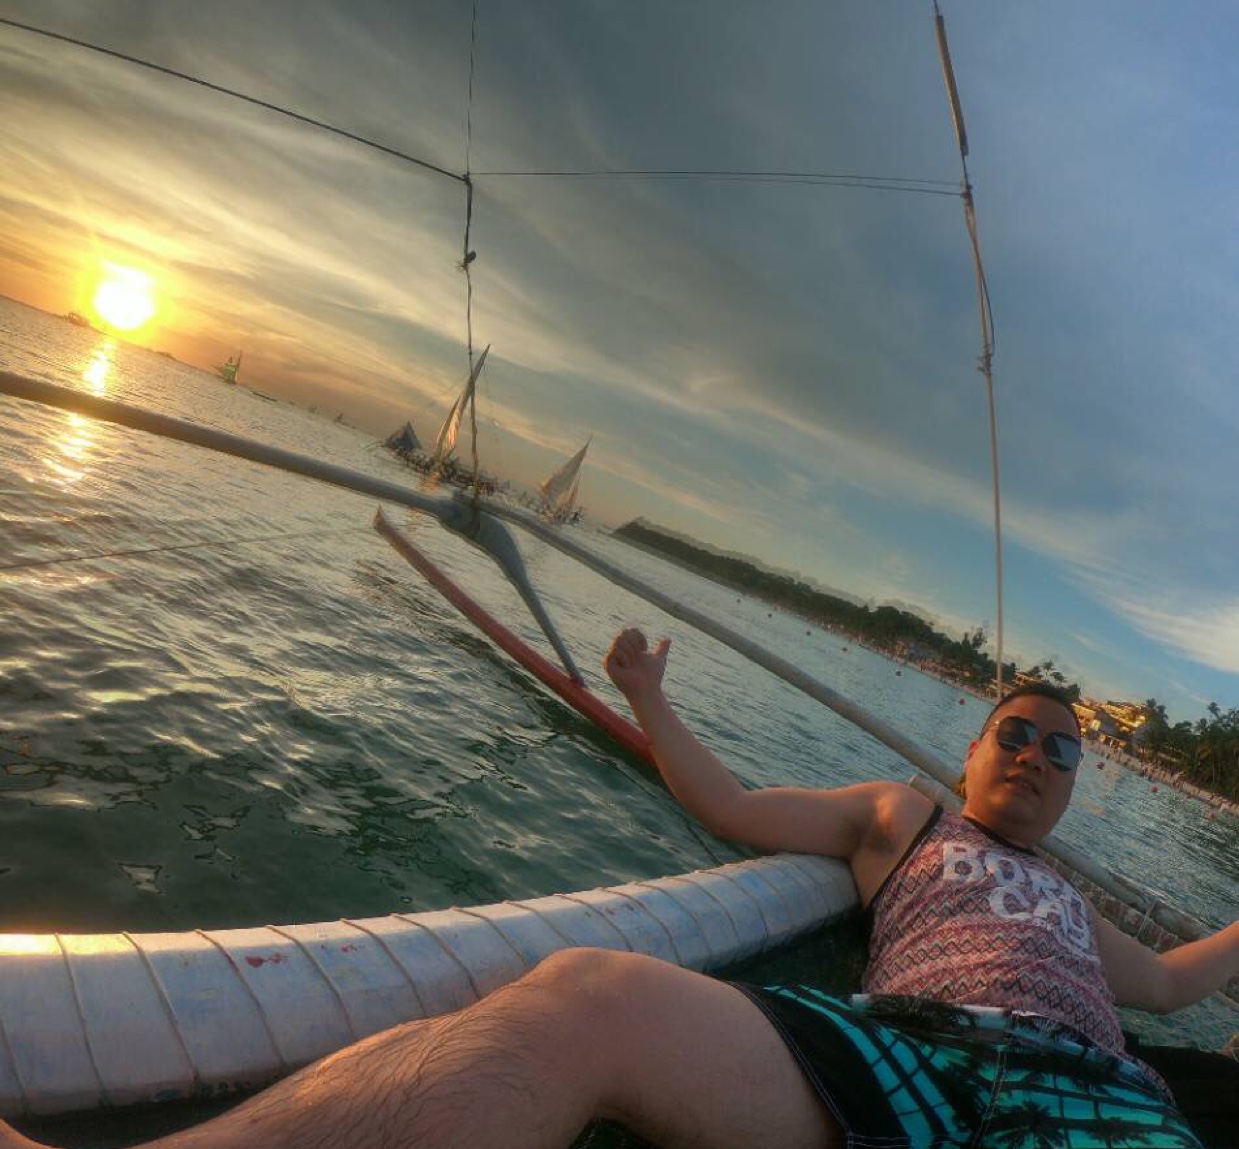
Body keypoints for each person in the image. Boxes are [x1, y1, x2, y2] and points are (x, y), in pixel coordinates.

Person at [2, 628, 1235, 1149]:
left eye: (1061, 750)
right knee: (590, 998)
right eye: (1015, 733)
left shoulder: (1075, 909)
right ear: (971, 752)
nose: (1036, 755)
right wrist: (649, 698)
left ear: (1073, 788)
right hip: (913, 1049)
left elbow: (1174, 987)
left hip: (1102, 1098)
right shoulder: (901, 817)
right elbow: (730, 807)